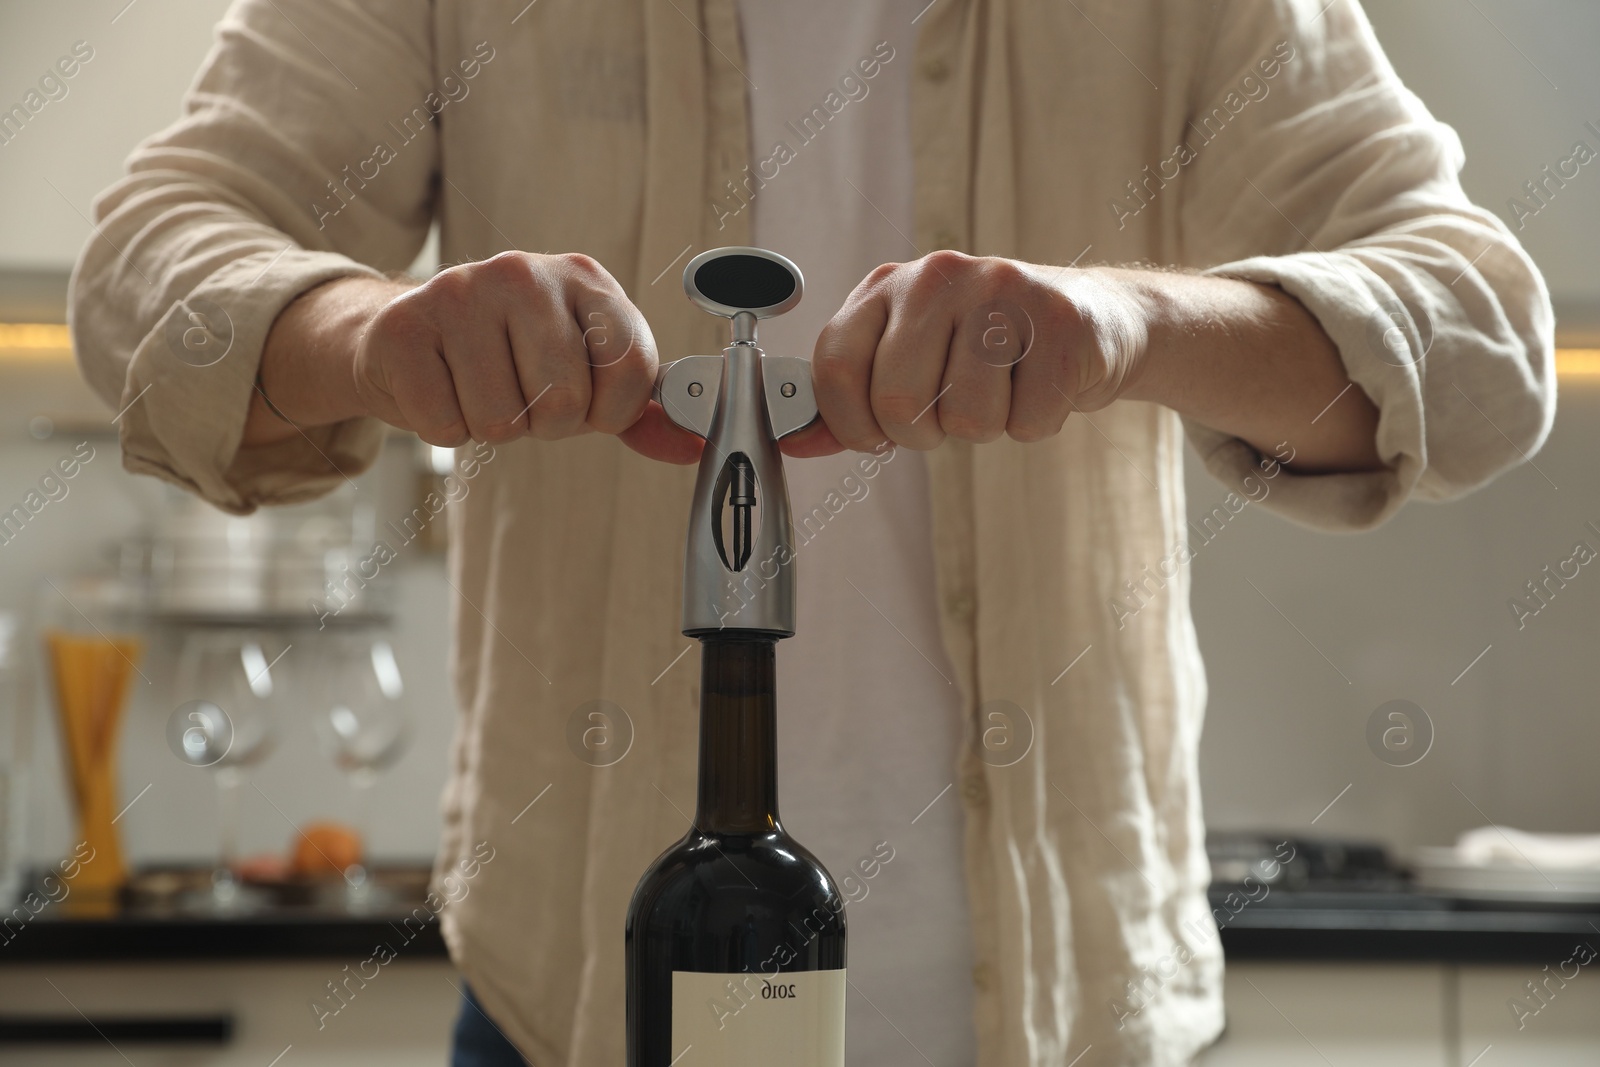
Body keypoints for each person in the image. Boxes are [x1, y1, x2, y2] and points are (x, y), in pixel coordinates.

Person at [70, 0, 1553, 1063]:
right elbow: (146, 260)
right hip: (571, 1009)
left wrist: (1127, 322)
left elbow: (1482, 344)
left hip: (1076, 1016)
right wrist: (368, 336)